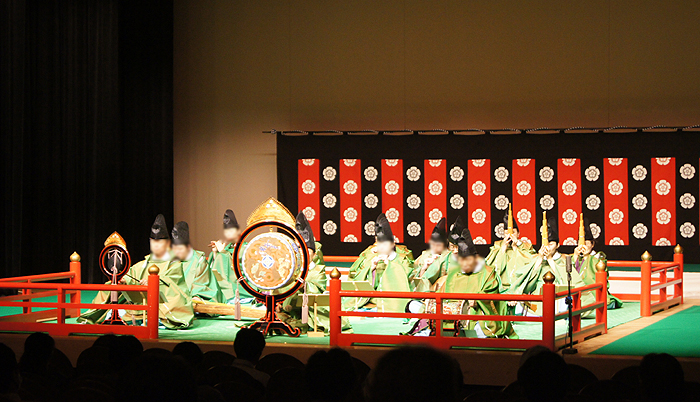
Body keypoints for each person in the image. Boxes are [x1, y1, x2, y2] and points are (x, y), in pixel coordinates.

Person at [78, 214, 194, 329]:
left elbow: (173, 285)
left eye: (160, 242)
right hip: (139, 308)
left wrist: (154, 282)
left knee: (156, 318)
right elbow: (130, 275)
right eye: (153, 242)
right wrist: (124, 280)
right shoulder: (142, 264)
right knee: (112, 287)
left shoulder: (174, 264)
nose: (156, 245)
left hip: (162, 309)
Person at [440, 228, 518, 338]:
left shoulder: (487, 273)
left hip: (479, 316)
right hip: (454, 316)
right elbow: (442, 293)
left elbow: (491, 295)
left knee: (479, 332)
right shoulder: (453, 273)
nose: (465, 264)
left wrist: (477, 301)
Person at [507, 218, 592, 316]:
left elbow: (570, 282)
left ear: (558, 245)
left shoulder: (564, 259)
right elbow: (526, 284)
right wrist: (540, 258)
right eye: (545, 244)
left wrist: (550, 259)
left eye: (551, 244)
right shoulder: (536, 259)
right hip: (538, 300)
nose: (547, 247)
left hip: (558, 298)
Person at [346, 213, 413, 312]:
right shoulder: (372, 258)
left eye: (385, 244)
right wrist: (371, 269)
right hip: (373, 301)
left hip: (394, 302)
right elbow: (356, 279)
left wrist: (390, 265)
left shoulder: (403, 259)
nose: (381, 247)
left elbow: (406, 282)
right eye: (379, 243)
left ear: (393, 243)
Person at [572, 218, 622, 309]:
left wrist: (587, 256)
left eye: (586, 243)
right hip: (578, 290)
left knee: (602, 302)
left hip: (593, 291)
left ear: (592, 244)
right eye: (580, 243)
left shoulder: (598, 257)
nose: (583, 246)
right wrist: (575, 255)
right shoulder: (575, 257)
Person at [172, 221, 224, 304]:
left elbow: (202, 284)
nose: (178, 252)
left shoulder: (199, 260)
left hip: (194, 299)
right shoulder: (171, 260)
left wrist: (197, 296)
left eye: (180, 249)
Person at [485, 210, 536, 293]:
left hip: (520, 287)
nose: (510, 236)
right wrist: (503, 249)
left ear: (518, 234)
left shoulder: (526, 247)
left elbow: (530, 265)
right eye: (506, 233)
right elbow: (491, 267)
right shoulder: (497, 246)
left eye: (513, 233)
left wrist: (516, 248)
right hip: (501, 288)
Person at [207, 209, 251, 301]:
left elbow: (233, 268)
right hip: (225, 286)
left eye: (231, 231)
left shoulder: (246, 248)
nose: (228, 234)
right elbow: (218, 270)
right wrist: (215, 253)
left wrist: (223, 253)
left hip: (241, 286)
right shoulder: (227, 248)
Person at [409, 218, 451, 292]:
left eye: (438, 245)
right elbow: (413, 279)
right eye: (433, 244)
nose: (435, 247)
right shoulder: (424, 256)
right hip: (423, 292)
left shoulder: (449, 257)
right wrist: (423, 269)